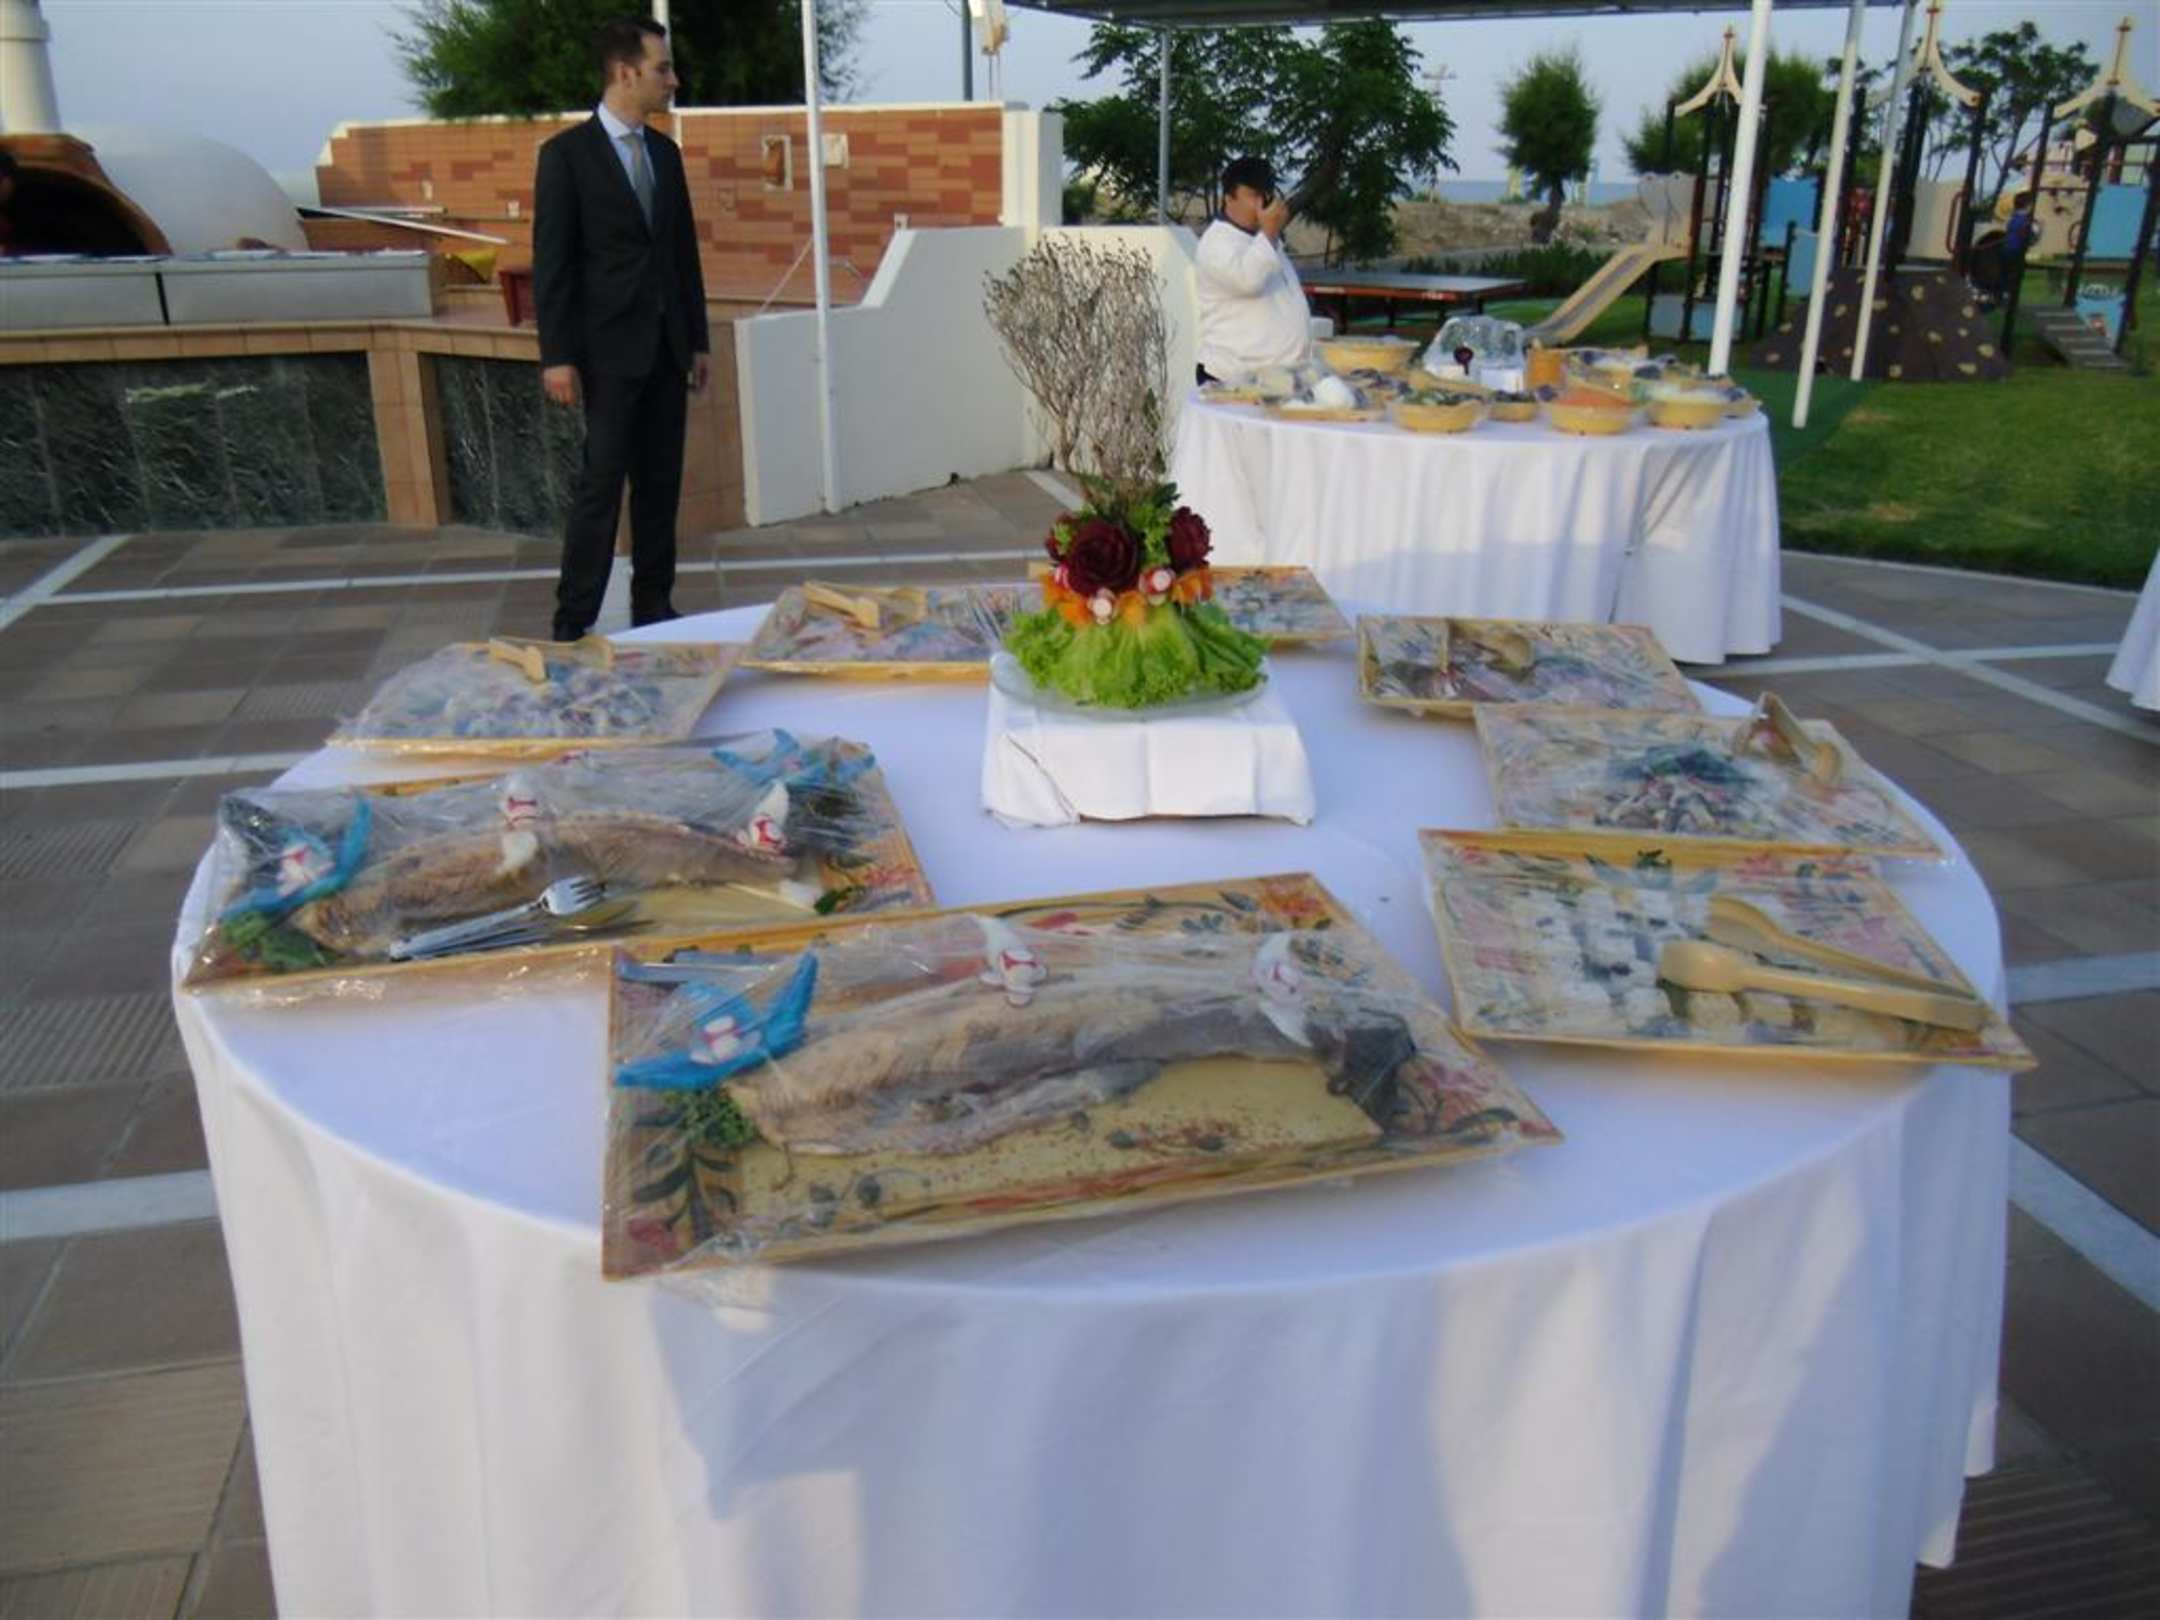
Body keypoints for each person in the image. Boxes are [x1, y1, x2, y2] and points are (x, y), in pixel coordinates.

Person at [533, 16, 710, 642]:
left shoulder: (665, 155)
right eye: (663, 68)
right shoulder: (566, 157)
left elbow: (682, 256)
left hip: (666, 349)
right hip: (607, 354)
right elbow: (553, 264)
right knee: (601, 487)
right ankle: (573, 619)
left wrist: (697, 340)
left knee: (660, 485)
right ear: (625, 72)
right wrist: (557, 356)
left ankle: (653, 607)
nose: (673, 80)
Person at [1194, 156, 1308, 385]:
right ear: (1229, 198)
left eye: (1266, 195)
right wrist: (1269, 233)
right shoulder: (1217, 243)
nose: (1262, 205)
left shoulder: (1263, 240)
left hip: (1275, 377)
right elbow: (1249, 281)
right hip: (1232, 377)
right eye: (1253, 196)